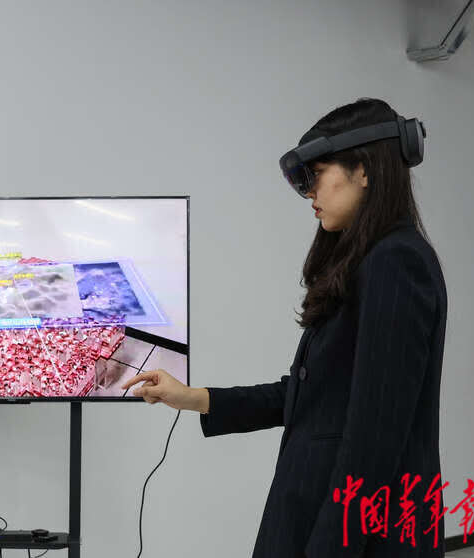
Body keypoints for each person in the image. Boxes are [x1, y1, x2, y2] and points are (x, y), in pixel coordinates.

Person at [122, 98, 448, 557]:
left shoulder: (396, 263)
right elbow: (313, 396)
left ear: (364, 170)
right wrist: (193, 397)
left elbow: (376, 436)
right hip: (317, 514)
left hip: (350, 535)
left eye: (318, 175)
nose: (308, 193)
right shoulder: (367, 262)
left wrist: (330, 549)